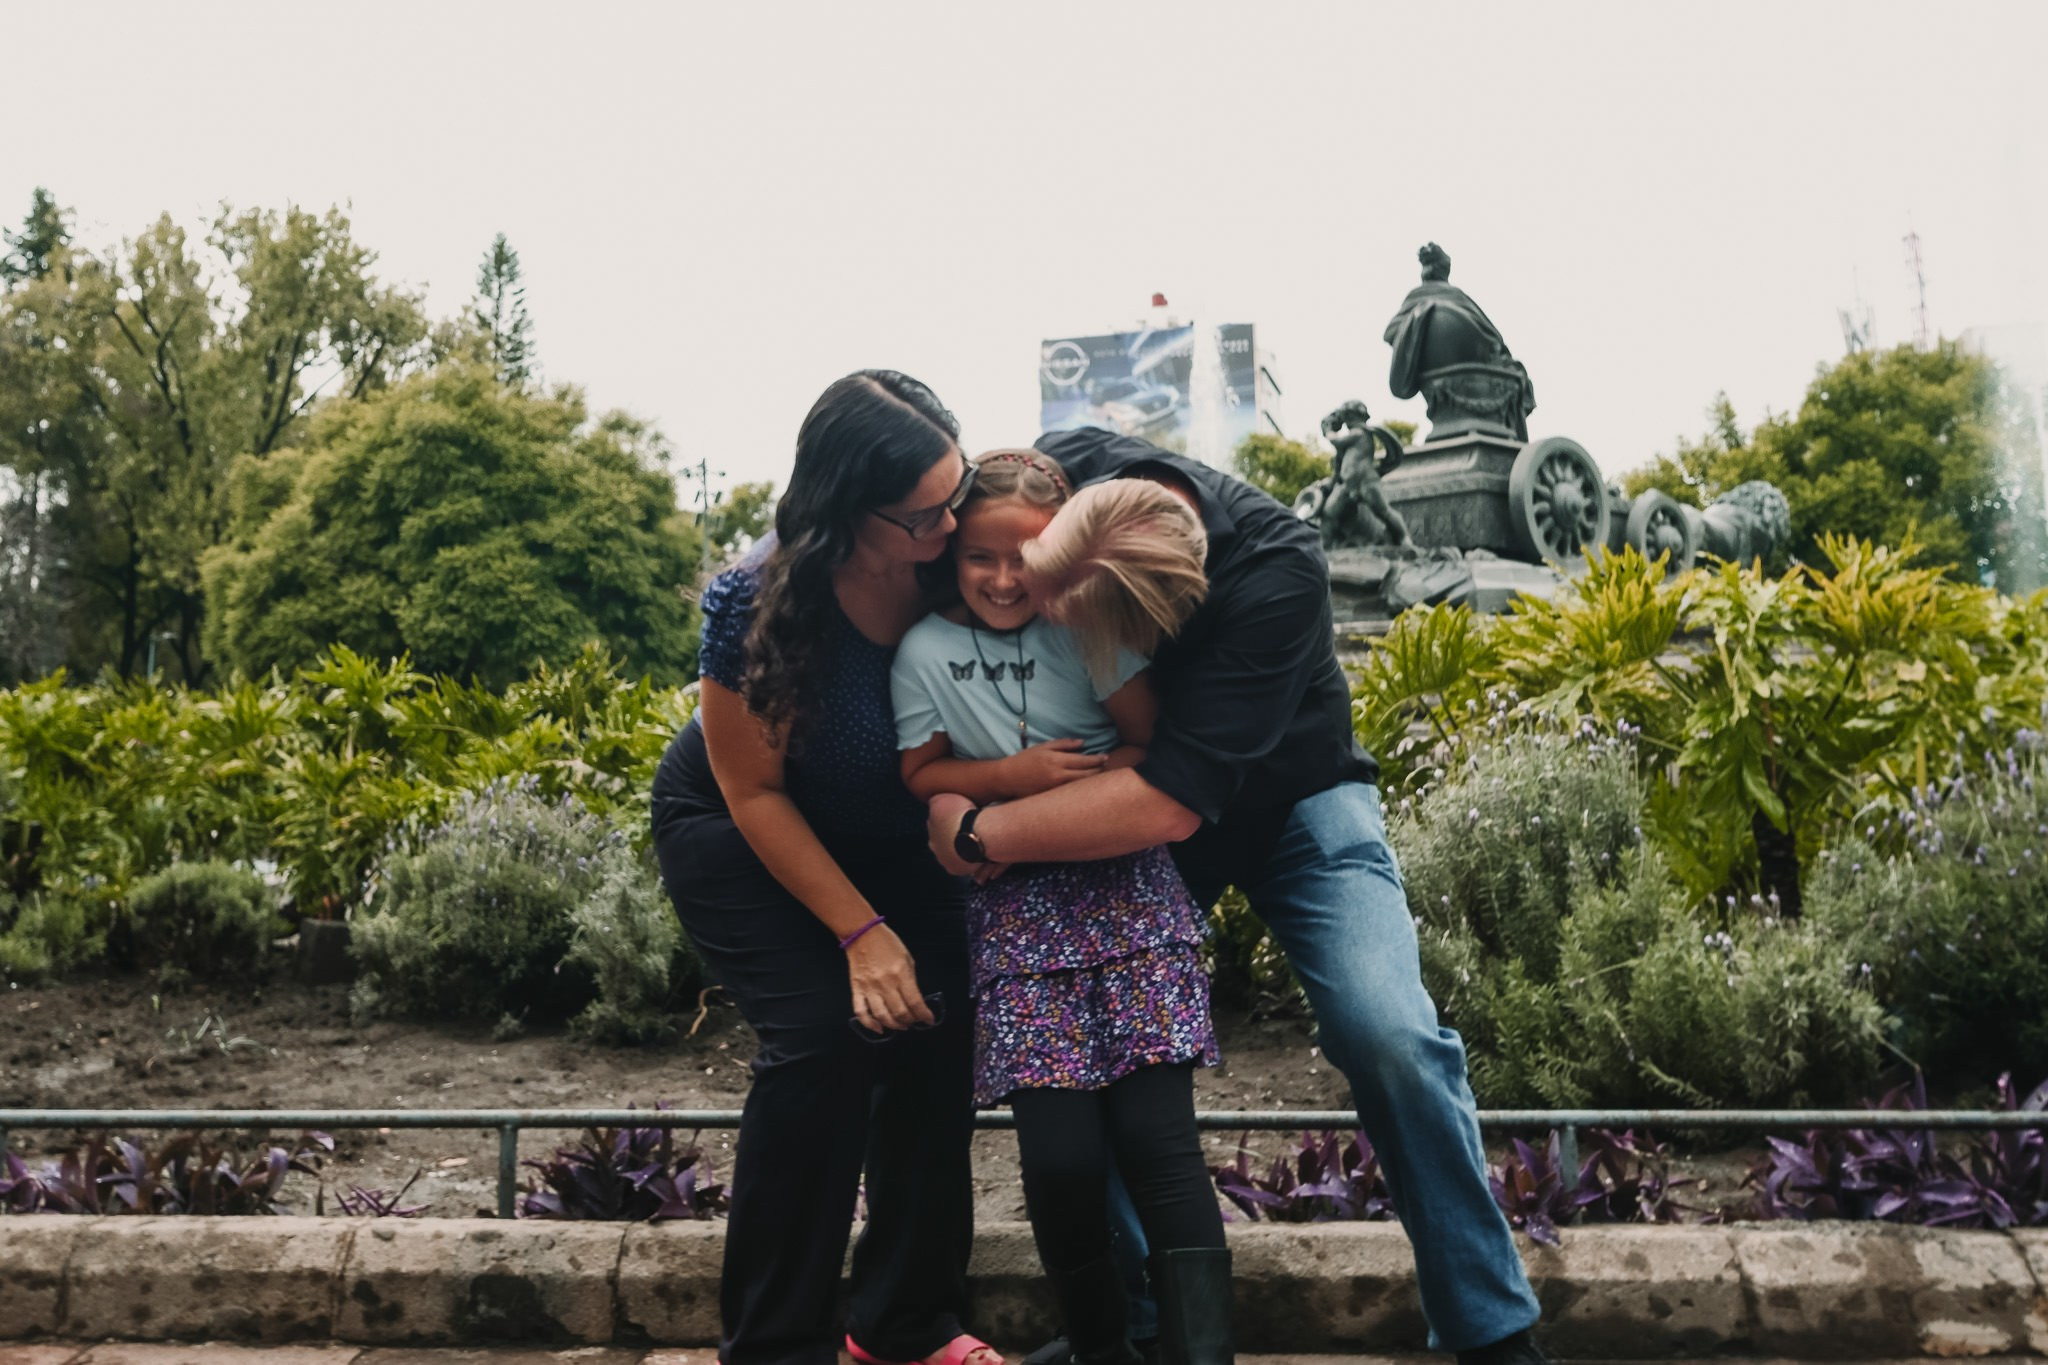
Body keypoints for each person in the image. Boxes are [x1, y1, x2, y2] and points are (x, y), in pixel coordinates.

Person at [926, 425, 1548, 1365]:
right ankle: (1133, 1324)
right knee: (1078, 1027)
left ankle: (1491, 1329)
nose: (1034, 615)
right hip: (1121, 798)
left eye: (1080, 632)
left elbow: (1169, 804)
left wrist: (975, 834)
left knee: (1390, 1033)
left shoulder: (1279, 572)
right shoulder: (1059, 469)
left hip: (1288, 800)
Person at [650, 370, 999, 1365]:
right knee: (821, 1040)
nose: (949, 522)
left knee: (938, 1021)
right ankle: (772, 1345)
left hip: (890, 830)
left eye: (955, 488)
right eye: (923, 513)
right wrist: (859, 933)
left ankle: (902, 1324)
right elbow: (753, 790)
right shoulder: (758, 597)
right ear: (849, 511)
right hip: (741, 823)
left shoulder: (951, 554)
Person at [890, 451, 1232, 1365]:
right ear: (951, 552)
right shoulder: (922, 651)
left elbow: (1148, 748)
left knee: (1161, 1146)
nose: (1006, 579)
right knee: (1059, 1160)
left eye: (1027, 555)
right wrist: (1011, 779)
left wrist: (1008, 817)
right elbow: (921, 774)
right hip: (1018, 920)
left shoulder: (1086, 622)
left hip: (1125, 893)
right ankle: (1102, 1350)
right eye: (980, 558)